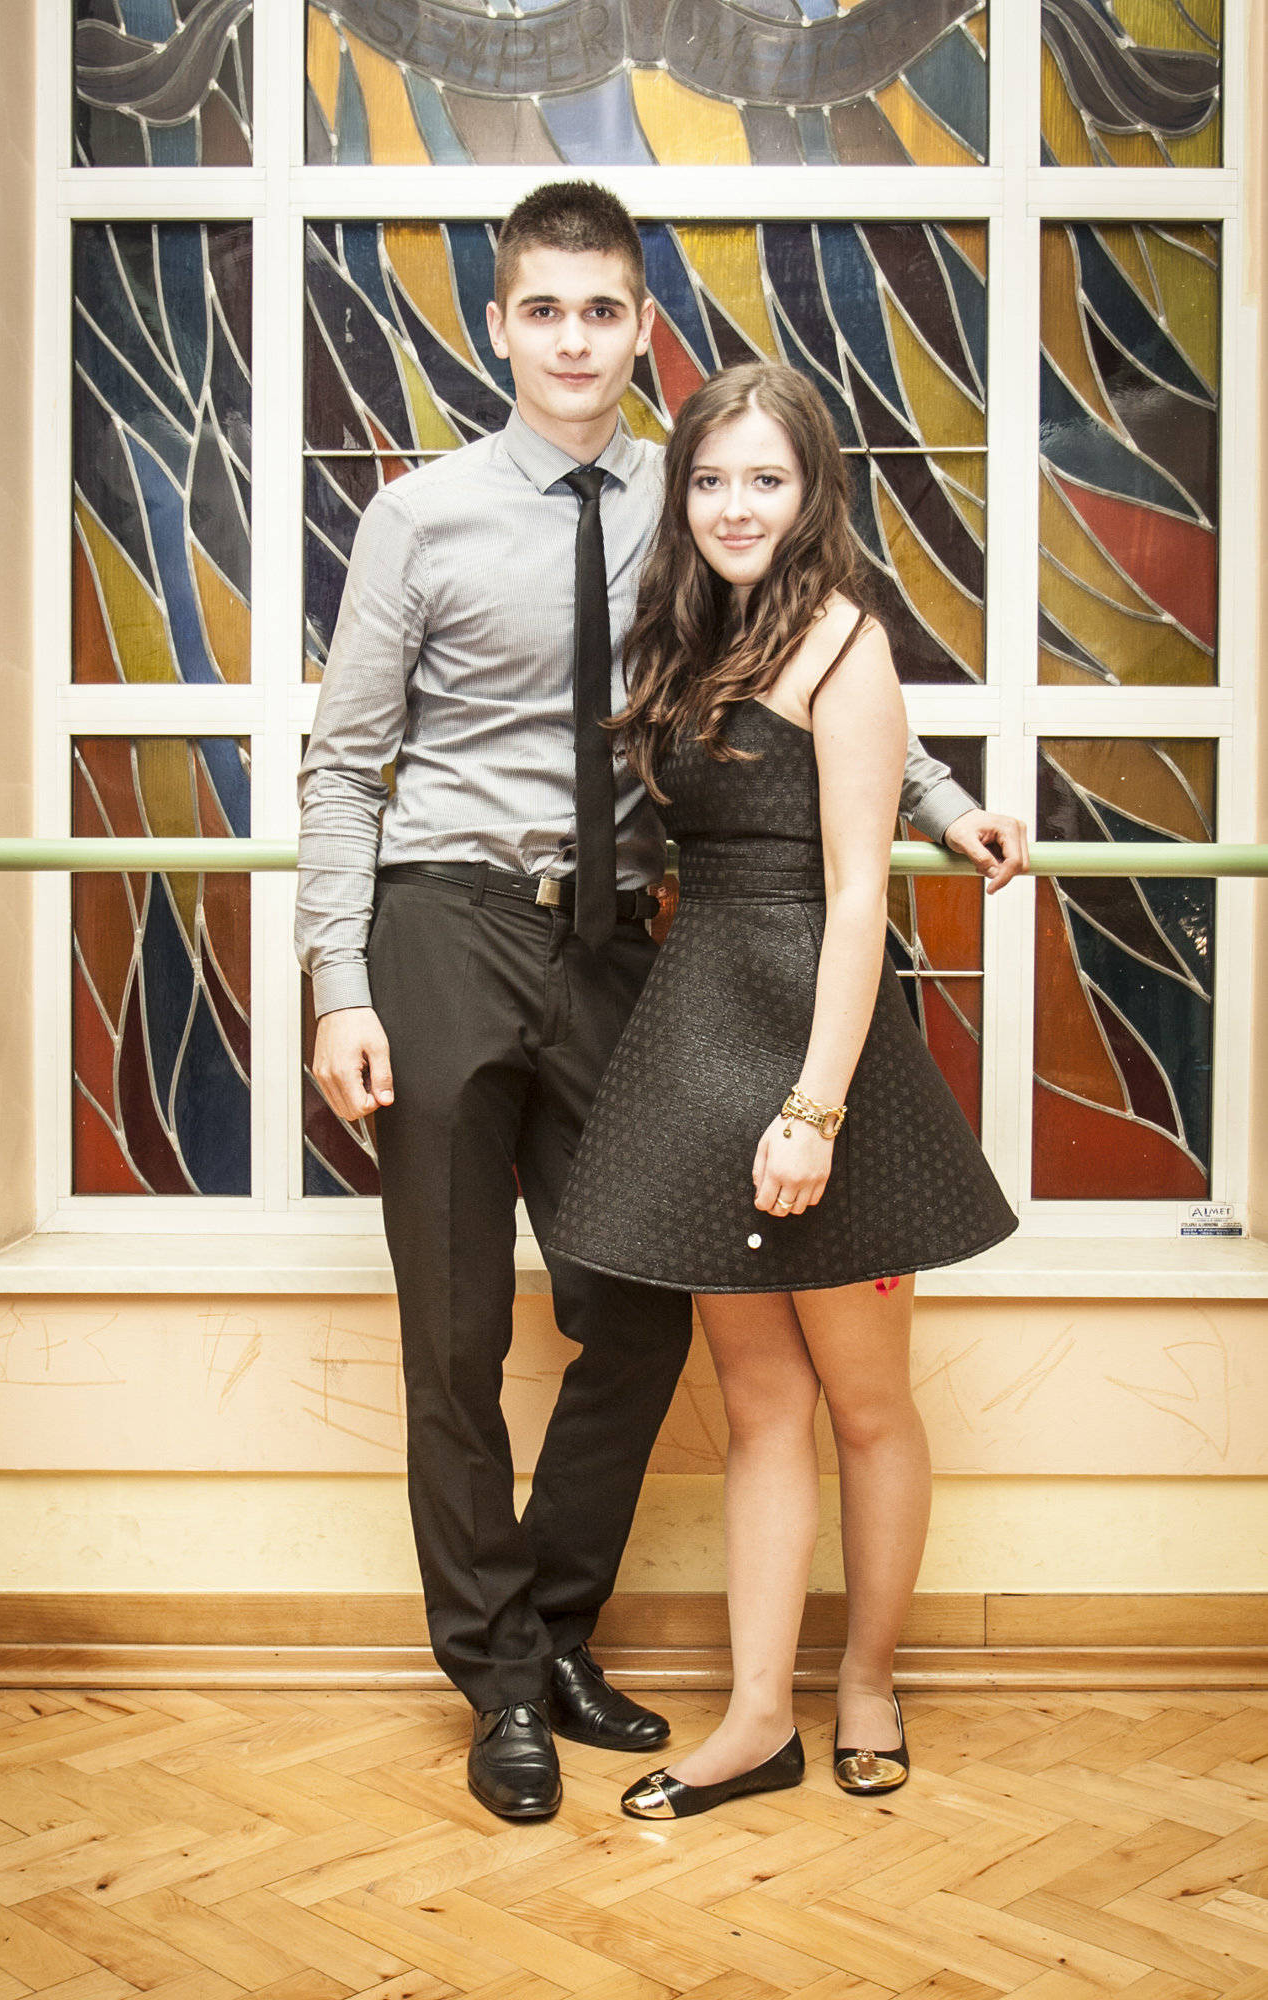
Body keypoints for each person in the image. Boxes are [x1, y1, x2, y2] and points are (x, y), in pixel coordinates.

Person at [296, 182, 1025, 1823]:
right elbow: (343, 768)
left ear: (643, 327)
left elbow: (805, 666)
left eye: (600, 311)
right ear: (498, 326)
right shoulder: (417, 516)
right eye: (541, 311)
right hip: (445, 923)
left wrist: (940, 802)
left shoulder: (694, 487)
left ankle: (553, 1631)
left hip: (627, 946)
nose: (572, 340)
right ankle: (496, 1678)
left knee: (636, 1308)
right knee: (454, 1332)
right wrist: (340, 982)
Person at [548, 362, 1018, 1819]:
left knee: (865, 1405)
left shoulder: (843, 639)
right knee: (759, 1407)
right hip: (703, 1039)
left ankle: (866, 1682)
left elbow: (861, 893)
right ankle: (757, 1719)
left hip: (828, 1049)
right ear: (681, 496)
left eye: (766, 478)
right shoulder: (688, 637)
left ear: (811, 492)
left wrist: (815, 1109)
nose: (735, 505)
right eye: (710, 480)